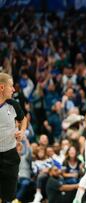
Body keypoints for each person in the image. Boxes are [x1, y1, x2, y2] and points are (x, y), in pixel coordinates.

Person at [0, 72, 27, 202]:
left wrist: (21, 131)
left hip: (10, 155)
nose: (14, 89)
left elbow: (24, 119)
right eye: (11, 86)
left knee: (9, 197)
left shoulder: (13, 104)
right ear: (2, 87)